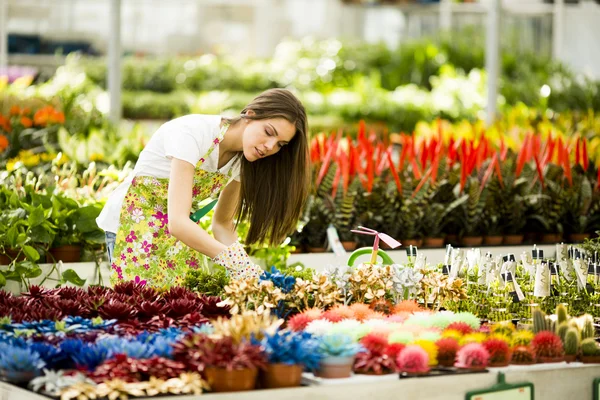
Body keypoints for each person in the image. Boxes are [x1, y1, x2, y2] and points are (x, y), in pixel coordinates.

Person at [96, 88, 309, 288]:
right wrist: (234, 262)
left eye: (280, 144)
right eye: (269, 132)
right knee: (139, 313)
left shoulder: (243, 161)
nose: (270, 147)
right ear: (250, 114)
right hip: (132, 227)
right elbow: (178, 222)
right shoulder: (193, 133)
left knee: (184, 314)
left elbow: (222, 224)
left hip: (179, 235)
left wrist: (248, 271)